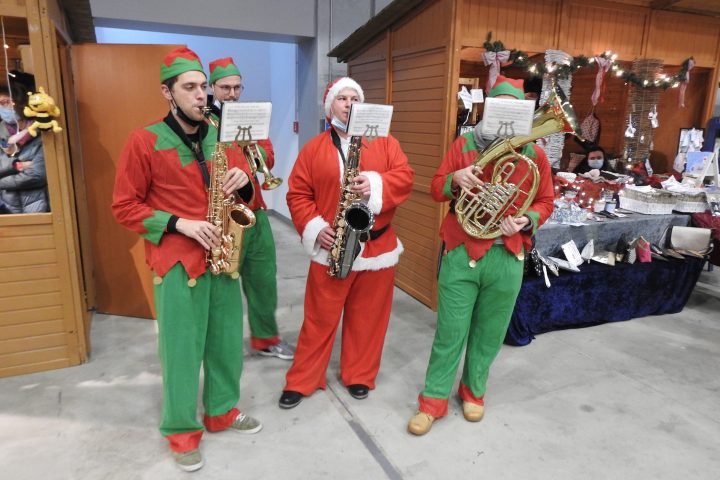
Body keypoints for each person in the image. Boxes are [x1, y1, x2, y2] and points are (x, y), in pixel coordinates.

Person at [112, 47, 261, 472]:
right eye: (190, 87)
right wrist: (181, 224)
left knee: (227, 343)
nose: (201, 96)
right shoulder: (144, 140)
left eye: (202, 87)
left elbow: (243, 193)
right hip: (178, 262)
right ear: (168, 92)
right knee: (180, 351)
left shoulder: (220, 133)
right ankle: (180, 431)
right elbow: (124, 207)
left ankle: (222, 411)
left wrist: (243, 180)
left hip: (223, 256)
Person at [407, 76, 555, 435]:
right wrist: (455, 179)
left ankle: (474, 391)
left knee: (490, 333)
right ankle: (433, 401)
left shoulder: (534, 154)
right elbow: (435, 189)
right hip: (462, 250)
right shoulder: (465, 144)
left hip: (508, 256)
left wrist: (526, 219)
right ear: (488, 108)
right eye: (500, 106)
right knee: (450, 331)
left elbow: (546, 201)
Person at [279, 77, 414, 409]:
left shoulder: (386, 142)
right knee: (319, 319)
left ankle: (359, 375)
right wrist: (314, 227)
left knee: (368, 319)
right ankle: (303, 380)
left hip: (378, 248)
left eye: (356, 97)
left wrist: (375, 184)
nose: (350, 103)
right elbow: (297, 194)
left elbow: (405, 177)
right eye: (343, 98)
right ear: (331, 107)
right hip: (332, 247)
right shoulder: (313, 149)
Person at [207, 56, 295, 360]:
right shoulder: (203, 120)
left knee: (263, 280)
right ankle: (222, 346)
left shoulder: (250, 115)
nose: (232, 94)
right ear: (212, 87)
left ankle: (265, 338)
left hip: (254, 211)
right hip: (221, 216)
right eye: (225, 88)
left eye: (237, 87)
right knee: (223, 284)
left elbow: (267, 157)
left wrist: (249, 164)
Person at [0, 77, 49, 214]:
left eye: (5, 102)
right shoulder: (1, 132)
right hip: (8, 209)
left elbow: (37, 175)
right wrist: (18, 165)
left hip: (40, 207)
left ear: (19, 102)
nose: (1, 108)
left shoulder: (40, 130)